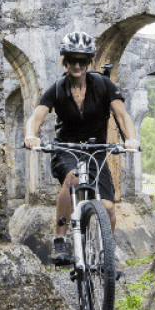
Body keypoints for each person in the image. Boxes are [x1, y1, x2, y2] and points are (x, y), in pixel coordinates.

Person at [23, 31, 140, 264]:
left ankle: (106, 257)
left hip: (96, 151)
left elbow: (122, 115)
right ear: (64, 61)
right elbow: (37, 116)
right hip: (66, 149)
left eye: (83, 60)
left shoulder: (103, 85)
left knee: (107, 207)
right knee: (74, 179)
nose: (77, 65)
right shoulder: (57, 88)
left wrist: (131, 139)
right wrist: (30, 135)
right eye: (72, 60)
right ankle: (60, 239)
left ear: (89, 62)